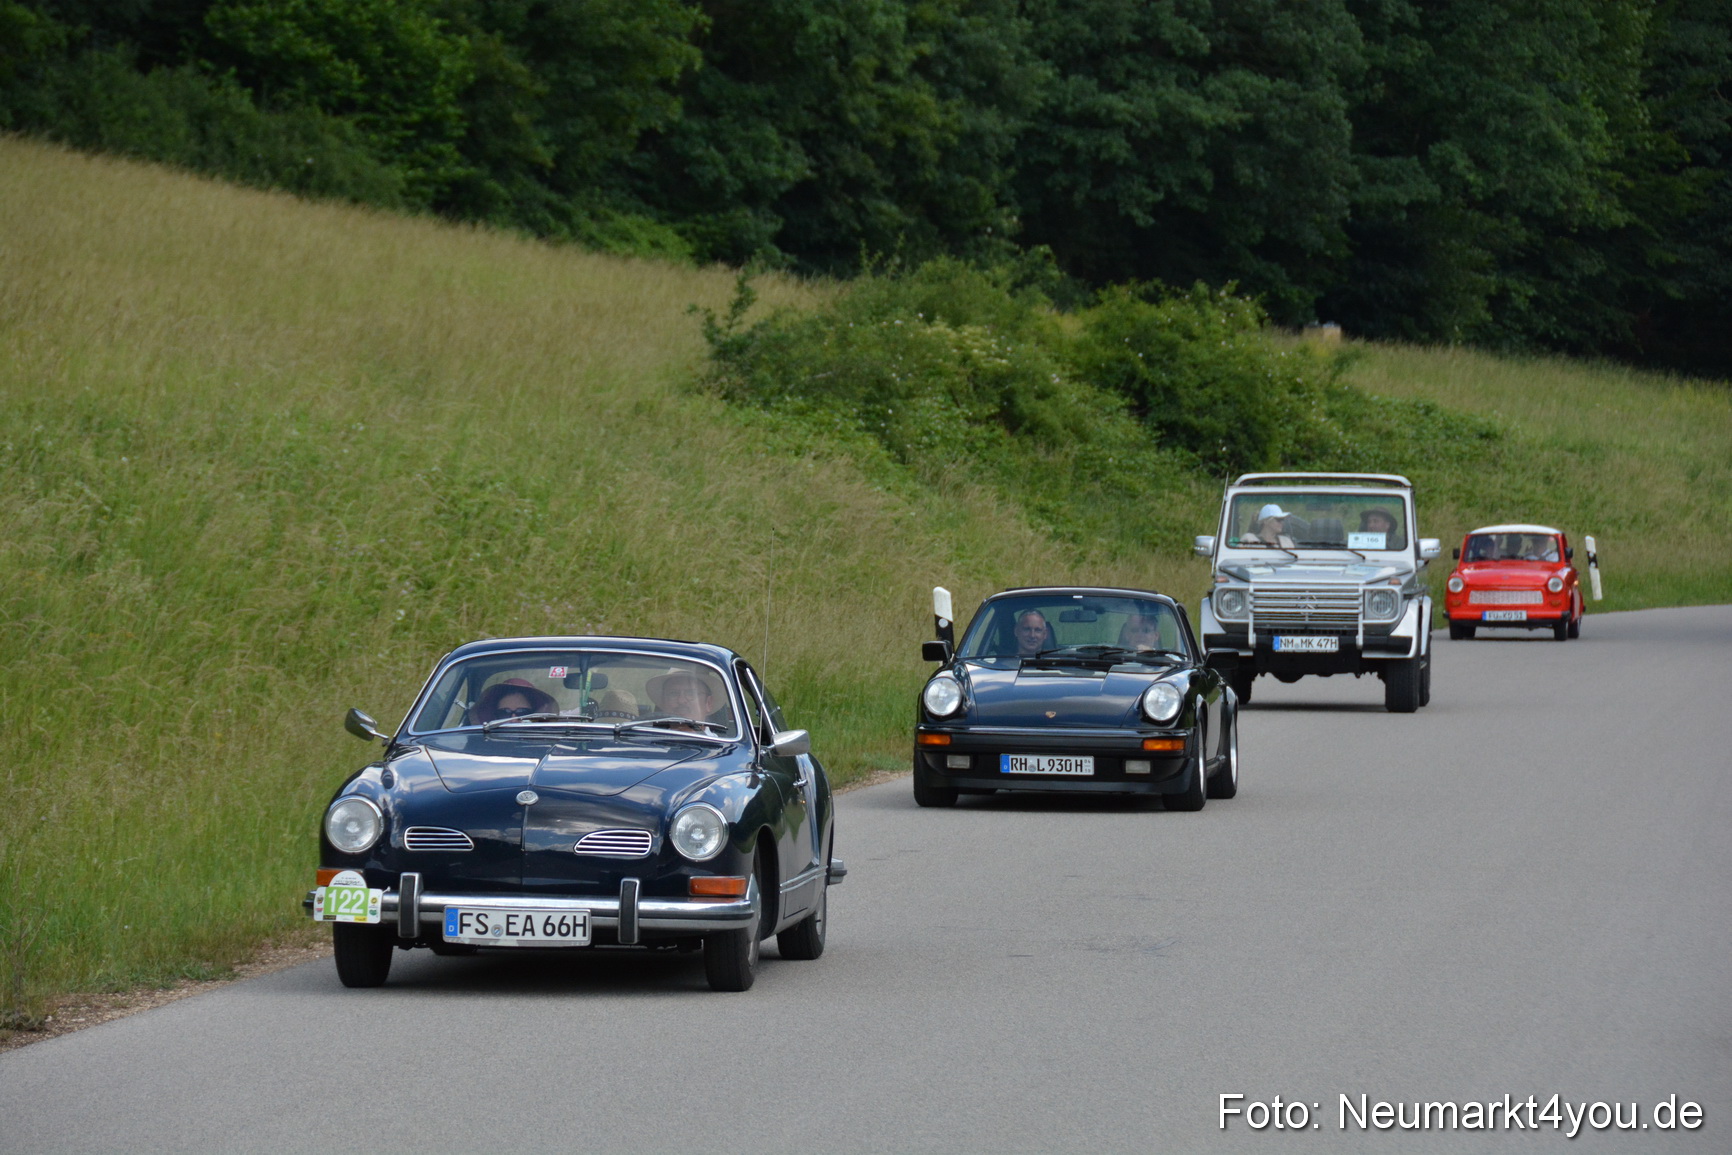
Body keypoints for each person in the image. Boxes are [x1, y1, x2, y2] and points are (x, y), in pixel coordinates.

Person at [646, 668, 727, 732]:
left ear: (708, 703)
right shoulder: (649, 742)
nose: (681, 700)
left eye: (691, 693)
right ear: (664, 702)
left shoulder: (719, 746)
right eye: (673, 694)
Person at [471, 677, 558, 724]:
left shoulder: (549, 745)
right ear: (496, 716)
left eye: (522, 712)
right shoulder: (480, 747)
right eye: (504, 713)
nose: (513, 719)